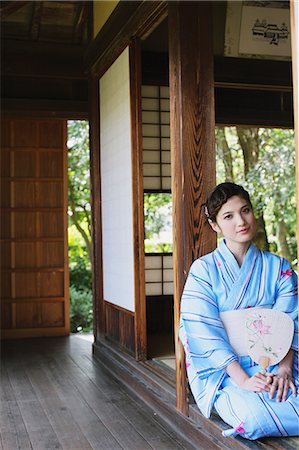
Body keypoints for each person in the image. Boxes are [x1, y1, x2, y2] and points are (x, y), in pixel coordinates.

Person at [179, 182, 298, 440]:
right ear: (215, 225)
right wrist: (244, 380)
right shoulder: (204, 270)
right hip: (227, 370)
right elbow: (202, 330)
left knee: (285, 392)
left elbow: (290, 320)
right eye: (228, 216)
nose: (241, 221)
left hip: (278, 362)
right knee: (254, 418)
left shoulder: (278, 267)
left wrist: (285, 369)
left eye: (245, 210)